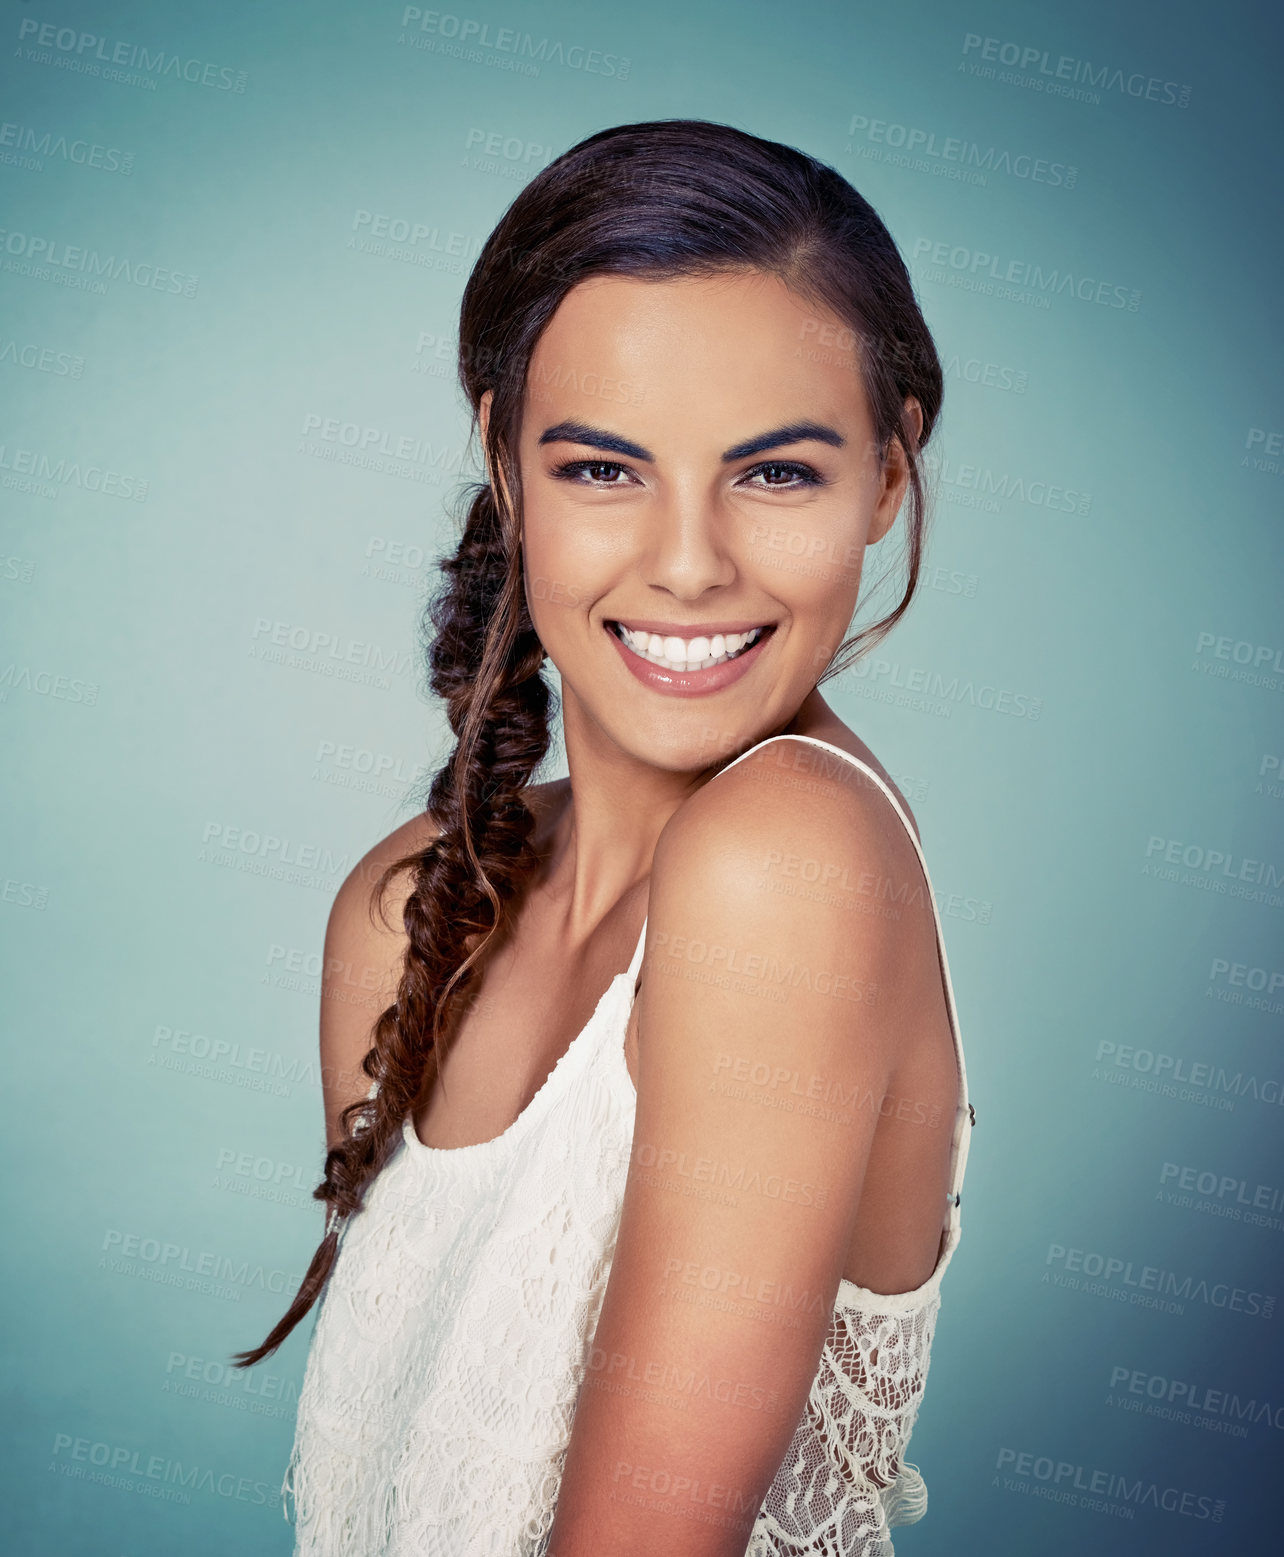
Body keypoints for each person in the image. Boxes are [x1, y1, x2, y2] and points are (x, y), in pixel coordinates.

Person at [234, 118, 975, 1557]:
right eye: (600, 469)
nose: (689, 562)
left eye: (775, 473)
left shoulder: (791, 861)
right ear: (506, 467)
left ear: (889, 476)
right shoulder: (403, 912)